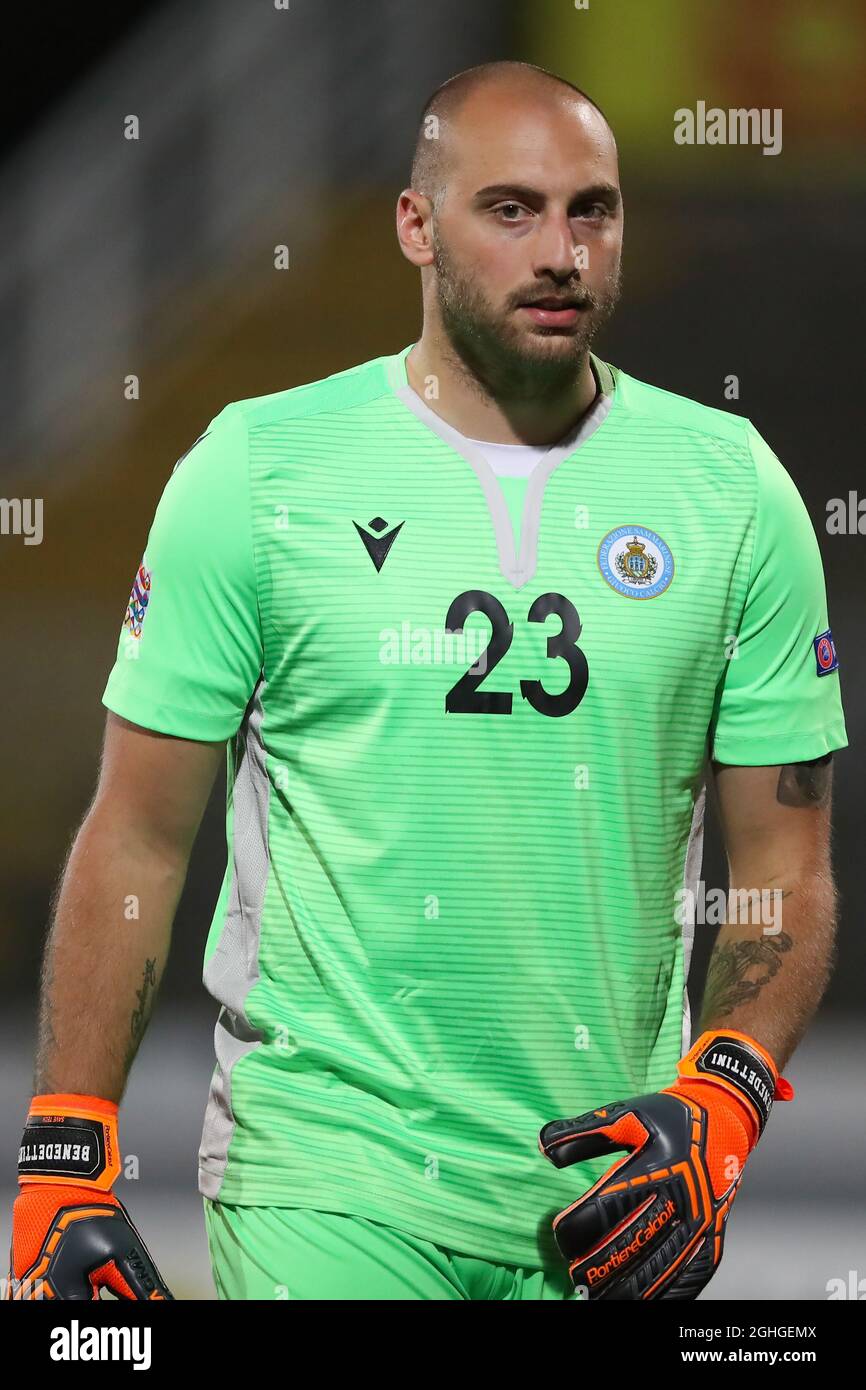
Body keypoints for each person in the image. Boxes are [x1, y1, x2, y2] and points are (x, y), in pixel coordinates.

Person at [8, 60, 847, 1301]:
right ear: (414, 224)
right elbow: (134, 835)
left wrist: (719, 1100)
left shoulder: (732, 494)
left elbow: (784, 872)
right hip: (328, 1178)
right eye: (508, 209)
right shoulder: (256, 472)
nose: (559, 250)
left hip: (603, 1201)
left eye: (591, 210)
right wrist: (66, 1152)